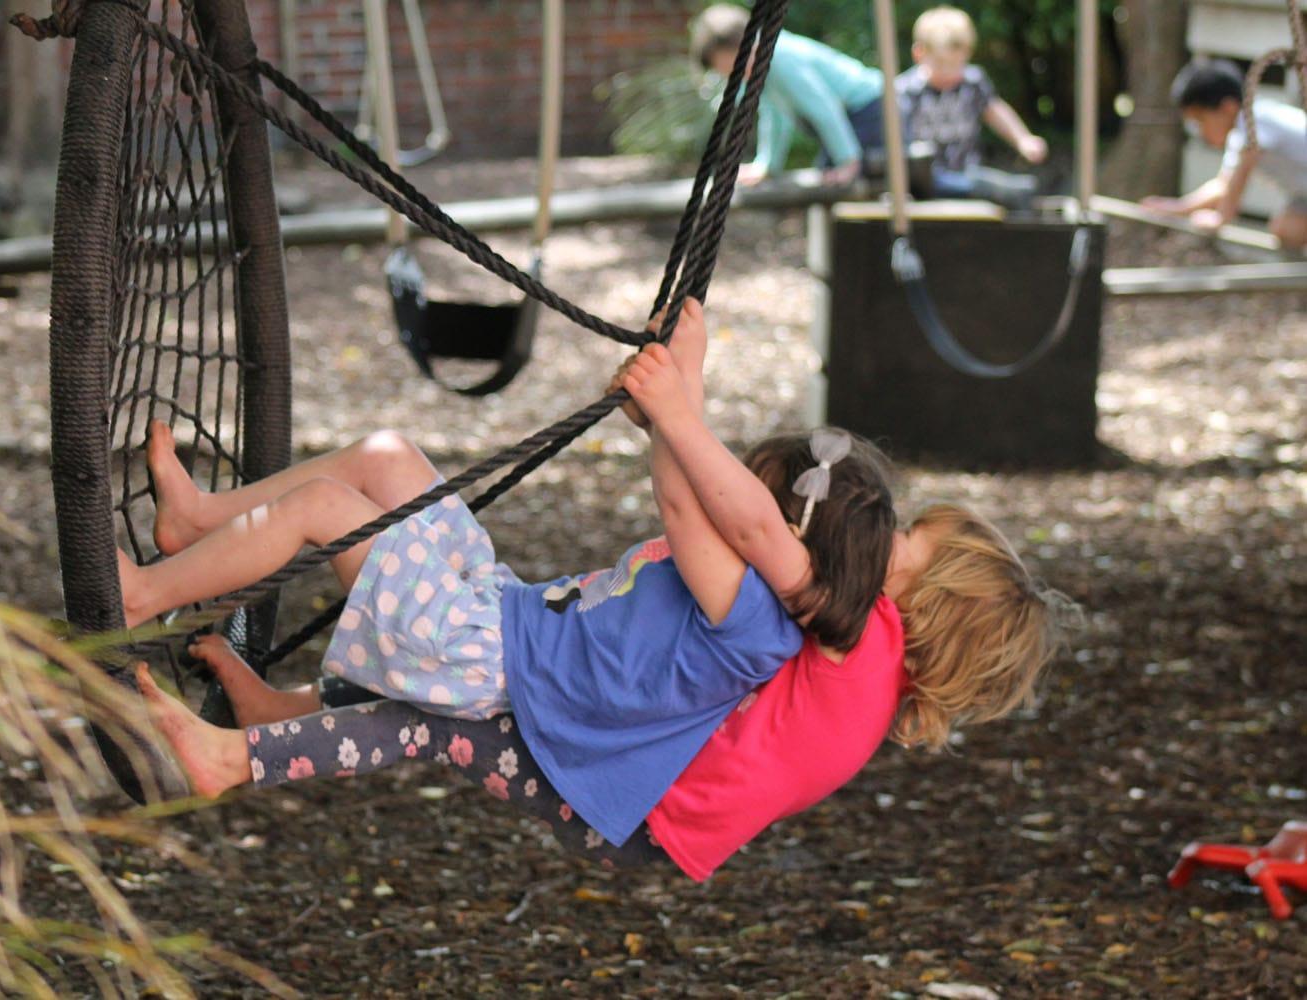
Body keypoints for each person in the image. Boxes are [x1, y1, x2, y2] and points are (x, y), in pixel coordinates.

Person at [126, 300, 1056, 876]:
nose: (885, 544)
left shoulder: (834, 633)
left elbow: (732, 520)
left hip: (606, 768)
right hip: (536, 657)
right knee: (384, 461)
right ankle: (201, 533)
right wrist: (680, 398)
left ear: (928, 616)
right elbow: (735, 516)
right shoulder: (808, 629)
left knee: (342, 522)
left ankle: (149, 604)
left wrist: (678, 400)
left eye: (906, 555)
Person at [690, 4, 886, 187]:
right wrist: (767, 165)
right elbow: (775, 117)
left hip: (872, 107)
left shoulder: (780, 58)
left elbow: (824, 107)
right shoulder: (763, 71)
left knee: (845, 176)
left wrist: (848, 161)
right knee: (825, 174)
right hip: (851, 115)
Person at [1141, 59, 1307, 250]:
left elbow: (1243, 170)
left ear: (1227, 107)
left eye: (1200, 120)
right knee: (1286, 231)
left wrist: (1222, 217)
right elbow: (1223, 185)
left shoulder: (1255, 119)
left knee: (1289, 230)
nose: (1200, 131)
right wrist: (1176, 209)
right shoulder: (1240, 134)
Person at [895, 5, 1048, 207]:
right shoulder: (906, 90)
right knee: (969, 184)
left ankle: (986, 188)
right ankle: (990, 188)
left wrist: (1023, 139)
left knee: (979, 184)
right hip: (928, 181)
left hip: (967, 170)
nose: (950, 72)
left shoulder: (973, 82)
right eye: (942, 65)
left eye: (957, 65)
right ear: (919, 54)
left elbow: (994, 110)